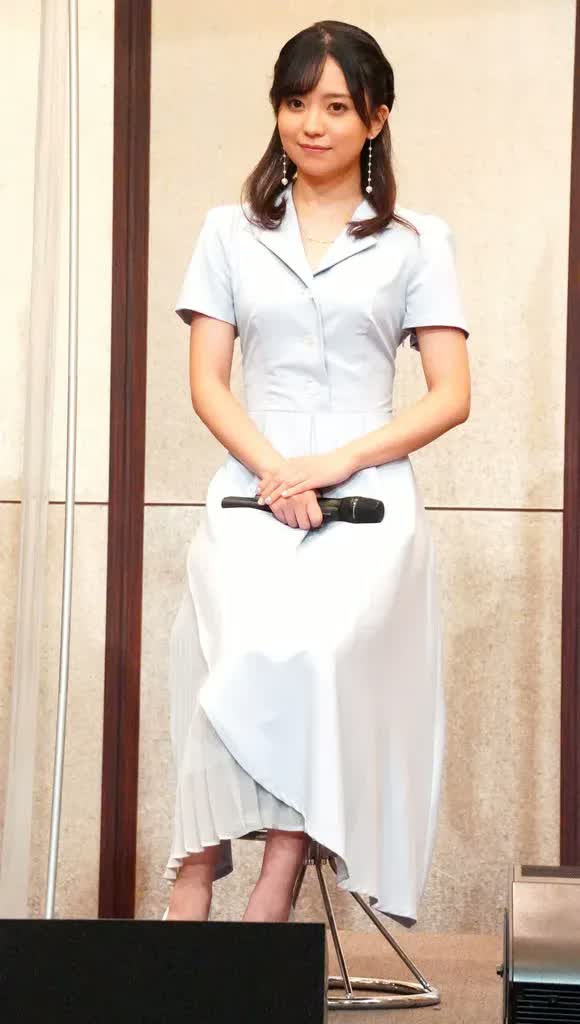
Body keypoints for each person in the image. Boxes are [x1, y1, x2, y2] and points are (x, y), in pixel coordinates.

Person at [162, 19, 470, 926]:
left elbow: (451, 395)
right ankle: (194, 868)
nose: (312, 123)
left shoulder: (418, 240)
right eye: (296, 103)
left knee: (319, 654)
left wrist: (335, 462)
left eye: (336, 106)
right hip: (252, 489)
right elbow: (207, 383)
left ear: (377, 118)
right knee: (223, 652)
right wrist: (277, 473)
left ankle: (283, 868)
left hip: (368, 496)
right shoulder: (228, 232)